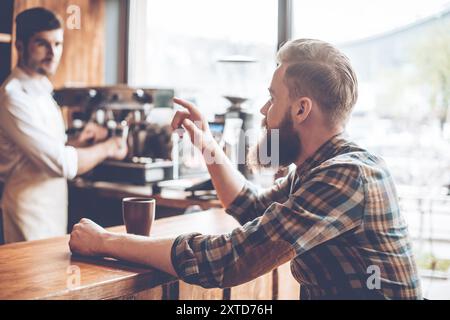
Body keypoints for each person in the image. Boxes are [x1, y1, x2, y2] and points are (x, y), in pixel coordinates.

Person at [69, 39, 422, 299]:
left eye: (272, 98)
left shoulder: (346, 176)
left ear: (301, 110)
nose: (265, 111)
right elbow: (253, 207)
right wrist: (205, 142)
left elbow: (228, 260)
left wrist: (106, 241)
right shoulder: (315, 170)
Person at [0, 8, 127, 243]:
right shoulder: (13, 96)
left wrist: (78, 141)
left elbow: (47, 150)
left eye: (57, 44)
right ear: (19, 46)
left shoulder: (43, 91)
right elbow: (60, 163)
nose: (52, 53)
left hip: (53, 208)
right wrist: (110, 147)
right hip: (28, 211)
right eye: (42, 44)